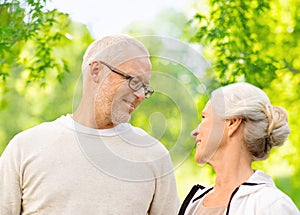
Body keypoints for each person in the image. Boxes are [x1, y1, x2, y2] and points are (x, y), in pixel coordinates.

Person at [0, 34, 180, 214]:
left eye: (145, 88)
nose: (141, 95)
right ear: (96, 71)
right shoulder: (25, 147)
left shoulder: (153, 154)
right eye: (134, 81)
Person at [178, 82, 300, 215]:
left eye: (204, 118)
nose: (195, 131)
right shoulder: (193, 204)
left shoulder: (271, 206)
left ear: (232, 123)